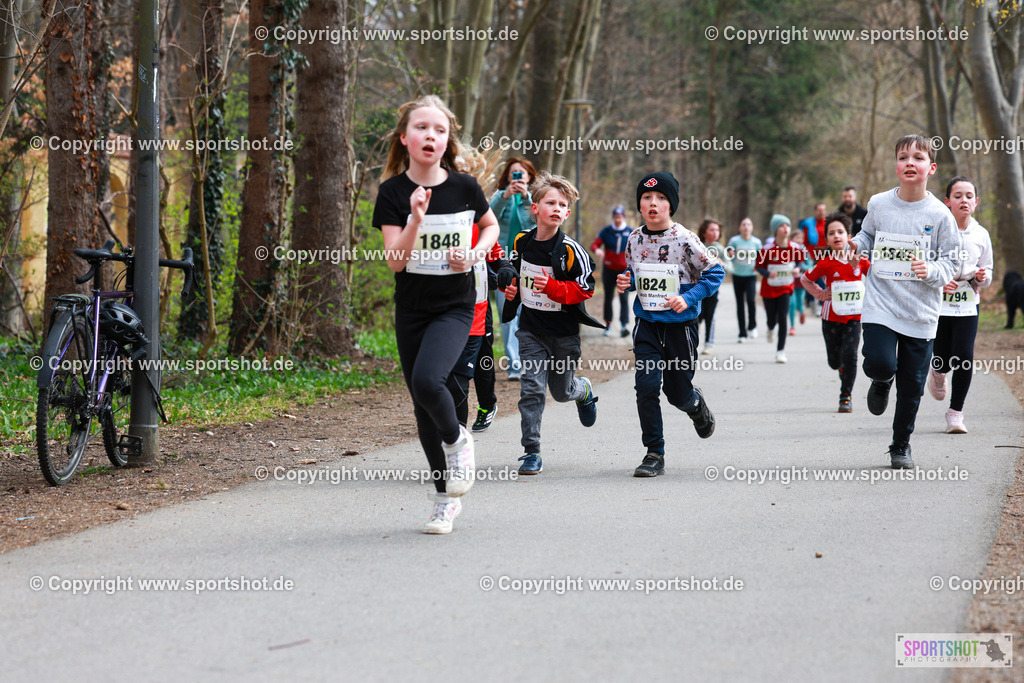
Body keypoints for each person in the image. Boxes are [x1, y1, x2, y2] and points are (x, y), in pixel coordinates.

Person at [372, 95, 499, 534]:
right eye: (422, 128)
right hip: (412, 310)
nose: (431, 135)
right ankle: (445, 500)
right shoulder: (392, 193)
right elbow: (395, 261)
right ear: (405, 138)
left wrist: (477, 253)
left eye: (440, 130)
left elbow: (491, 226)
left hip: (455, 305)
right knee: (423, 407)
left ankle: (458, 440)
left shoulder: (464, 187)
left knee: (430, 382)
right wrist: (414, 219)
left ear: (448, 141)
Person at [850, 134, 961, 469]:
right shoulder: (879, 203)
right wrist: (856, 246)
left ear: (931, 167)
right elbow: (867, 235)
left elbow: (952, 261)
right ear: (896, 165)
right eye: (902, 157)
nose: (909, 162)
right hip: (881, 303)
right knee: (881, 363)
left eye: (918, 157)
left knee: (912, 385)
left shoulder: (940, 215)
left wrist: (930, 269)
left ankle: (901, 445)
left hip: (921, 311)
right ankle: (881, 380)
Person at [616, 171, 723, 477]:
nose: (653, 203)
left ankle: (694, 403)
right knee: (646, 387)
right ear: (639, 204)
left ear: (670, 206)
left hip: (680, 327)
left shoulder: (685, 239)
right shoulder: (634, 239)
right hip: (647, 323)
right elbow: (635, 272)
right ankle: (654, 452)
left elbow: (714, 274)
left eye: (661, 198)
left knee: (677, 393)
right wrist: (628, 280)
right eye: (647, 197)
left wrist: (688, 298)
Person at [501, 172, 603, 475]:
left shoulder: (572, 251)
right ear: (535, 208)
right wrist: (511, 287)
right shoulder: (523, 241)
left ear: (568, 213)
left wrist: (554, 289)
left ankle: (581, 389)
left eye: (562, 205)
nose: (556, 208)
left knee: (560, 392)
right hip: (531, 330)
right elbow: (517, 273)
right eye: (550, 203)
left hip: (564, 334)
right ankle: (531, 451)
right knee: (532, 388)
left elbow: (586, 288)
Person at [927, 175, 993, 433]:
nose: (963, 200)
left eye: (968, 196)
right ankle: (939, 372)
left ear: (976, 202)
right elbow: (927, 267)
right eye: (957, 196)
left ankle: (955, 414)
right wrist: (940, 282)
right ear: (947, 202)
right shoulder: (937, 231)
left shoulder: (981, 234)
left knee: (965, 355)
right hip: (940, 301)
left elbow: (988, 272)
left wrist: (983, 276)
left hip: (968, 301)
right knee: (942, 354)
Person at [801, 211, 871, 412]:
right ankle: (840, 368)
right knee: (835, 361)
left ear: (849, 237)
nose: (836, 236)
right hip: (831, 317)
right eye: (832, 233)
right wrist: (821, 294)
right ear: (827, 240)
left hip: (854, 317)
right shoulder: (826, 263)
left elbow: (876, 278)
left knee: (851, 355)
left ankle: (845, 395)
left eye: (840, 232)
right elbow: (806, 279)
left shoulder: (859, 260)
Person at [489, 158, 537, 380]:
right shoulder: (500, 197)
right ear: (507, 177)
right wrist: (505, 195)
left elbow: (536, 226)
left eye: (521, 174)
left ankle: (530, 360)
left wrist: (527, 198)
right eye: (513, 173)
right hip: (503, 263)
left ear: (529, 177)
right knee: (507, 312)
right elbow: (487, 220)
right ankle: (514, 365)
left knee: (528, 311)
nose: (517, 177)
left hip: (529, 262)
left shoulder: (535, 200)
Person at [756, 215, 808, 364]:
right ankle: (770, 328)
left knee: (782, 317)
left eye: (787, 226)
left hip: (786, 287)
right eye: (781, 226)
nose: (785, 228)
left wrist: (798, 269)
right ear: (775, 230)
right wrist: (767, 273)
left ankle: (780, 351)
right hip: (769, 289)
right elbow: (758, 266)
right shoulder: (767, 249)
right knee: (772, 319)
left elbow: (800, 262)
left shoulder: (795, 248)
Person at [591, 205, 633, 337]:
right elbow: (595, 245)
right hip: (609, 269)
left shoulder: (630, 232)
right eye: (615, 217)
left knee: (624, 298)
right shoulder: (606, 231)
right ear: (613, 218)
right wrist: (597, 250)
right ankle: (608, 325)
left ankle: (624, 326)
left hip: (624, 270)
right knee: (608, 297)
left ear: (623, 217)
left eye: (620, 217)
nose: (618, 220)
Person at [697, 219, 731, 353]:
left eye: (717, 230)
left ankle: (709, 343)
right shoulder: (697, 246)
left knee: (710, 315)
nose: (715, 233)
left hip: (713, 288)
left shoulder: (721, 249)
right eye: (712, 230)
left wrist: (723, 264)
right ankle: (694, 340)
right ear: (704, 232)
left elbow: (730, 267)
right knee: (697, 315)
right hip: (697, 287)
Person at [727, 217, 762, 342]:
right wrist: (730, 253)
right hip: (737, 275)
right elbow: (728, 252)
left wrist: (758, 268)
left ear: (752, 228)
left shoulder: (756, 242)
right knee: (740, 304)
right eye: (744, 224)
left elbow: (761, 257)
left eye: (748, 224)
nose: (746, 227)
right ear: (740, 228)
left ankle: (752, 326)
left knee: (751, 301)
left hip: (751, 276)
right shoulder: (735, 240)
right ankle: (742, 333)